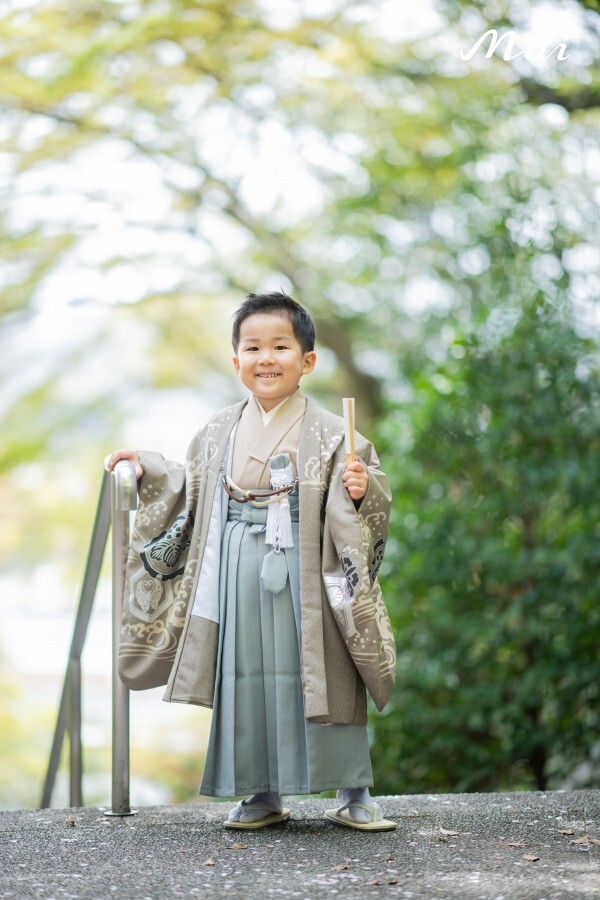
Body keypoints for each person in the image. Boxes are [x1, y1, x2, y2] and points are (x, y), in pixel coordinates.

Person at [107, 291, 396, 831]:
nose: (266, 358)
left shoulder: (336, 432)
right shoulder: (218, 429)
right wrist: (144, 465)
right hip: (238, 554)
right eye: (253, 347)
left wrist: (361, 490)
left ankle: (354, 788)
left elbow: (370, 498)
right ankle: (261, 792)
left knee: (325, 670)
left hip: (311, 562)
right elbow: (186, 486)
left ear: (307, 360)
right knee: (246, 671)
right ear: (235, 359)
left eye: (280, 346)